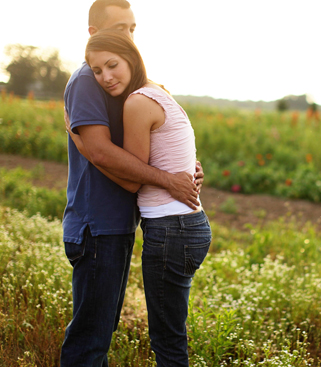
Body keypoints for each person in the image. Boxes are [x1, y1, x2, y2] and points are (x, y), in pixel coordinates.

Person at [61, 1, 204, 366]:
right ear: (94, 34)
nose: (128, 37)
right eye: (119, 29)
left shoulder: (136, 91)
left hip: (120, 223)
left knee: (101, 334)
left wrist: (184, 170)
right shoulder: (85, 82)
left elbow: (156, 145)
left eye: (132, 29)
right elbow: (101, 152)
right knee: (91, 339)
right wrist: (166, 179)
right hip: (98, 224)